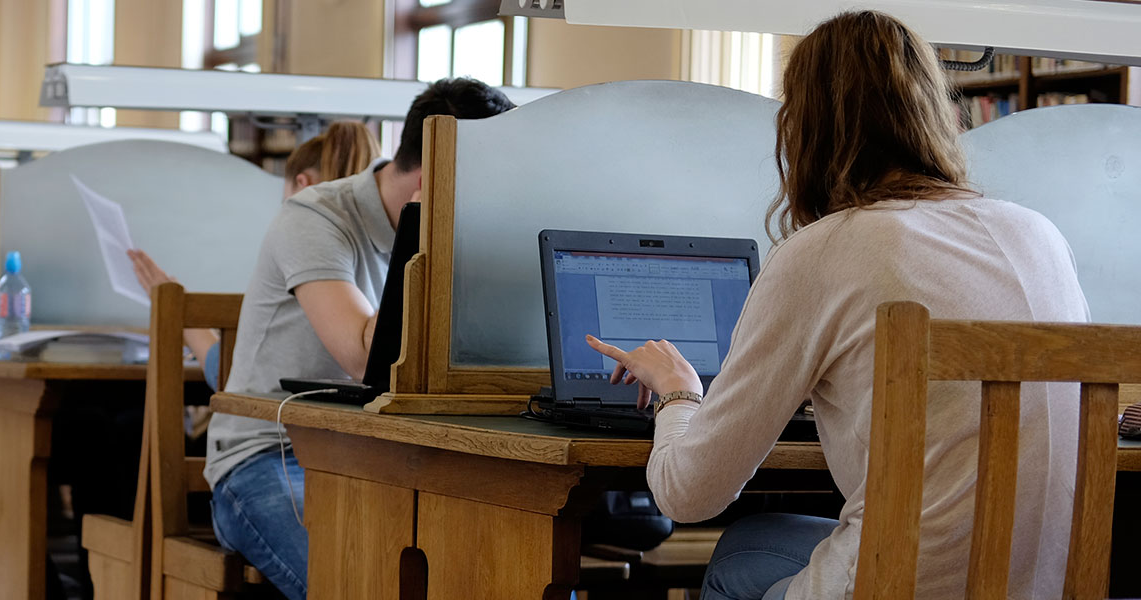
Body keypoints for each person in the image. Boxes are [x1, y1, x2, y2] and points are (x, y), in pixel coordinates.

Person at [583, 11, 1087, 600]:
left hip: (898, 586)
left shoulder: (826, 250)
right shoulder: (1040, 234)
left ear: (803, 128)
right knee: (753, 542)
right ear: (937, 114)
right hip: (1042, 583)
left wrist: (678, 391)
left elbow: (688, 494)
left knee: (731, 563)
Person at [206, 79, 516, 599]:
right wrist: (423, 228)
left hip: (390, 456)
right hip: (272, 455)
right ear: (439, 169)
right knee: (362, 584)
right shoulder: (315, 215)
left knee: (502, 567)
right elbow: (363, 357)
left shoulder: (476, 225)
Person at [126, 121, 381, 391]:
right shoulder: (377, 246)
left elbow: (232, 377)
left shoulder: (303, 236)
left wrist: (176, 310)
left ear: (302, 183)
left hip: (275, 424)